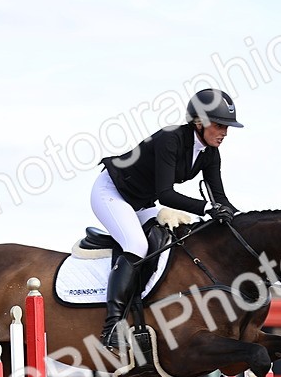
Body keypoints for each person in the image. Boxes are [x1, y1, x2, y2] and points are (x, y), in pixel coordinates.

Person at [93, 88, 244, 350]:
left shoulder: (210, 153)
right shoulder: (170, 139)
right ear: (200, 122)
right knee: (136, 246)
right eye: (220, 125)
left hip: (140, 202)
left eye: (227, 127)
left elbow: (219, 197)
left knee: (176, 240)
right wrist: (207, 208)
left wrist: (242, 221)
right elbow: (166, 195)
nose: (225, 133)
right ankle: (112, 326)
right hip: (112, 193)